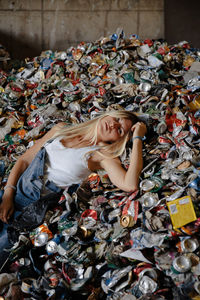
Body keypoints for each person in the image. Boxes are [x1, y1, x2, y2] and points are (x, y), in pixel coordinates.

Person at [0, 109, 147, 268]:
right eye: (116, 119)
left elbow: (130, 184)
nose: (112, 124)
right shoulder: (62, 128)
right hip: (9, 195)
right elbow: (23, 161)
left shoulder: (102, 155)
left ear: (119, 140)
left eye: (119, 130)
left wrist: (138, 137)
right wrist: (8, 195)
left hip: (27, 218)